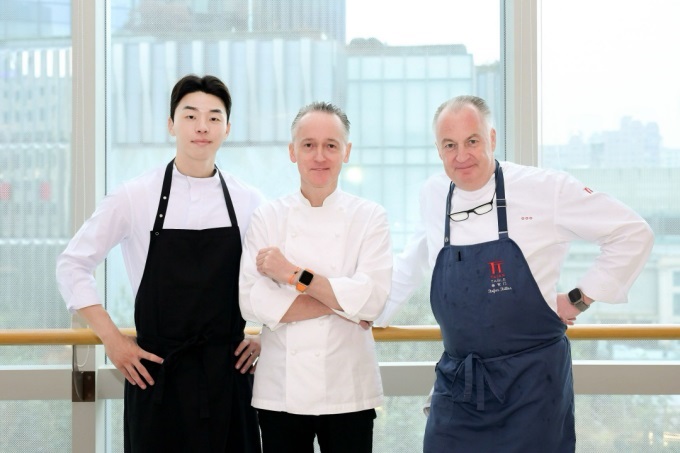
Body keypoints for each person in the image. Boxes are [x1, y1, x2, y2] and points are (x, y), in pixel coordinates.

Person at [380, 95, 654, 452]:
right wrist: (369, 315)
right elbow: (411, 263)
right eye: (450, 145)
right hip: (460, 384)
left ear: (492, 138)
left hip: (532, 385)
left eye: (472, 141)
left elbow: (632, 232)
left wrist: (579, 298)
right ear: (438, 149)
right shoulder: (434, 195)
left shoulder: (545, 188)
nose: (461, 156)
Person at [56, 74, 263, 452]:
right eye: (190, 115)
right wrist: (112, 340)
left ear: (227, 129)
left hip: (228, 377)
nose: (202, 127)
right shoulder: (134, 196)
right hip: (156, 377)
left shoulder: (249, 200)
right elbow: (72, 265)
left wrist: (268, 336)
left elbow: (278, 276)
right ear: (171, 124)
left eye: (214, 118)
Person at [239, 101, 392, 453]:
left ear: (346, 152)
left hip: (349, 390)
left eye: (331, 145)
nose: (319, 156)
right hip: (280, 392)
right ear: (293, 151)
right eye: (309, 145)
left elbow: (373, 299)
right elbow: (251, 301)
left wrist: (291, 274)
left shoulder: (370, 217)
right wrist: (345, 303)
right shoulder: (267, 217)